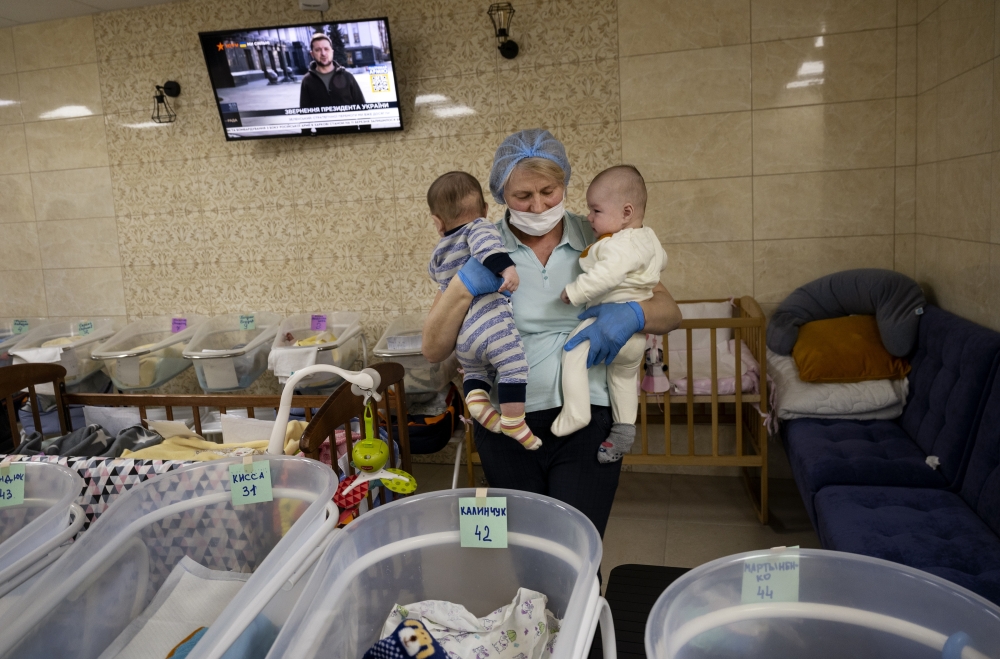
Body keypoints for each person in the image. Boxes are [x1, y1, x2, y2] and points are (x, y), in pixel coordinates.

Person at [422, 129, 682, 537]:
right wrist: (463, 285)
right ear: (500, 193)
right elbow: (434, 348)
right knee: (528, 554)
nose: (539, 205)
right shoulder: (482, 243)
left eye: (549, 191)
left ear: (565, 185)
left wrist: (634, 313)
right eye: (523, 196)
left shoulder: (598, 236)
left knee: (577, 548)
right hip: (506, 424)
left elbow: (669, 311)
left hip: (589, 420)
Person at [551, 165, 668, 464]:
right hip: (635, 338)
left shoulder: (620, 244)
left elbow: (606, 275)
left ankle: (576, 411)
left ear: (626, 212)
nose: (589, 217)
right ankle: (625, 428)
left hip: (609, 321)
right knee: (624, 379)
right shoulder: (648, 238)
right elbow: (661, 262)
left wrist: (575, 292)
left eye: (596, 210)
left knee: (574, 352)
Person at [425, 172, 539, 450]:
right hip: (491, 324)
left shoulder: (439, 251)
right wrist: (507, 269)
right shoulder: (481, 227)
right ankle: (513, 420)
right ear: (487, 209)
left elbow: (437, 277)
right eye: (525, 196)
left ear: (437, 222)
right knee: (514, 363)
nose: (537, 205)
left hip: (464, 337)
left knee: (477, 370)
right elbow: (488, 250)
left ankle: (476, 400)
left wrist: (454, 284)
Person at [299, 32, 366, 108]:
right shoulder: (307, 81)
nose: (323, 53)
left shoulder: (348, 76)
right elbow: (304, 113)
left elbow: (362, 106)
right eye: (318, 50)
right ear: (312, 54)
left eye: (326, 49)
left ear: (332, 52)